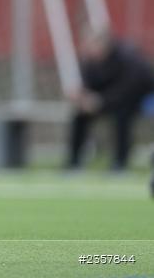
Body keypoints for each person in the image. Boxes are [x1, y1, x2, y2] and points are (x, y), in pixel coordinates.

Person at [65, 25, 154, 173]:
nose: (87, 48)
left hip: (137, 99)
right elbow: (88, 84)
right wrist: (82, 96)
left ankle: (120, 162)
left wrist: (101, 101)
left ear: (103, 43)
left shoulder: (127, 57)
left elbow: (130, 88)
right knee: (79, 115)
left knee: (122, 115)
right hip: (106, 100)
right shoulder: (90, 61)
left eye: (91, 43)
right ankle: (73, 163)